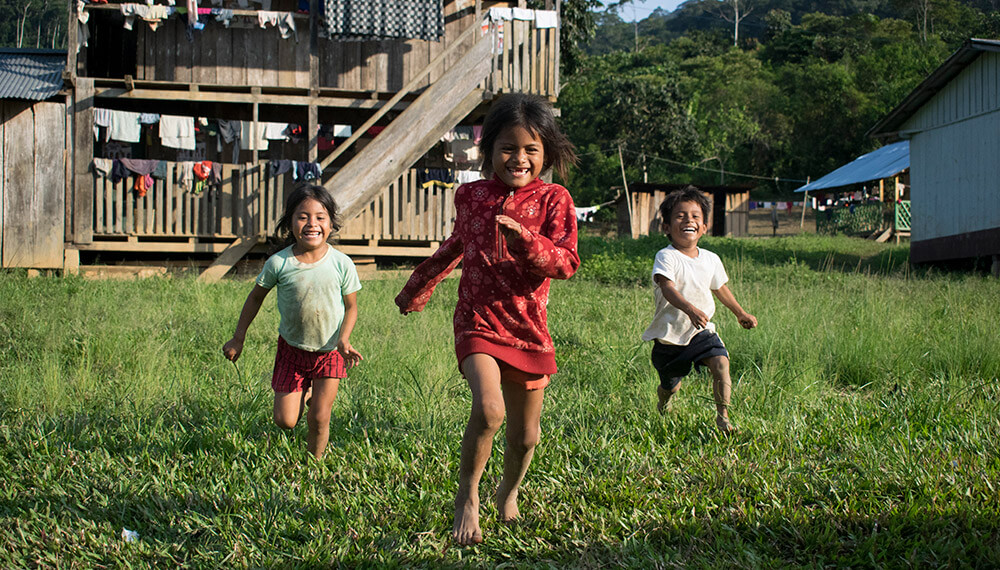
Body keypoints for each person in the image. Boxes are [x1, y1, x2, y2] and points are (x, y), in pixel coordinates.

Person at [395, 93, 579, 545]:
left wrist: (526, 243)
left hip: (529, 326)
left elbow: (566, 262)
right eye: (508, 148)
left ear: (546, 153)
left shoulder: (556, 199)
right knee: (490, 409)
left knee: (526, 437)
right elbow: (454, 246)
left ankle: (508, 491)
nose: (519, 158)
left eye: (531, 149)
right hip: (477, 318)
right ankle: (467, 496)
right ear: (489, 149)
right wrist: (417, 288)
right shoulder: (472, 196)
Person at [223, 184, 362, 459]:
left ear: (331, 223)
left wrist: (344, 339)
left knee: (319, 418)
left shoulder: (342, 263)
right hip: (292, 351)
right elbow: (255, 299)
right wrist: (239, 337)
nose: (312, 224)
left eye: (320, 217)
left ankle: (314, 464)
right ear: (289, 222)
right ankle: (306, 389)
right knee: (285, 421)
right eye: (303, 216)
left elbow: (351, 307)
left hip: (330, 351)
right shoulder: (279, 263)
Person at [642, 186, 757, 435]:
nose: (689, 220)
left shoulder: (711, 258)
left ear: (704, 227)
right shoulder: (666, 256)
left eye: (696, 216)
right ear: (666, 227)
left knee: (720, 363)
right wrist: (689, 309)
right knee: (670, 385)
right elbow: (667, 287)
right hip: (670, 334)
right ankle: (664, 400)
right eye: (680, 216)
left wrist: (740, 313)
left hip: (702, 331)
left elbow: (720, 288)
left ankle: (723, 418)